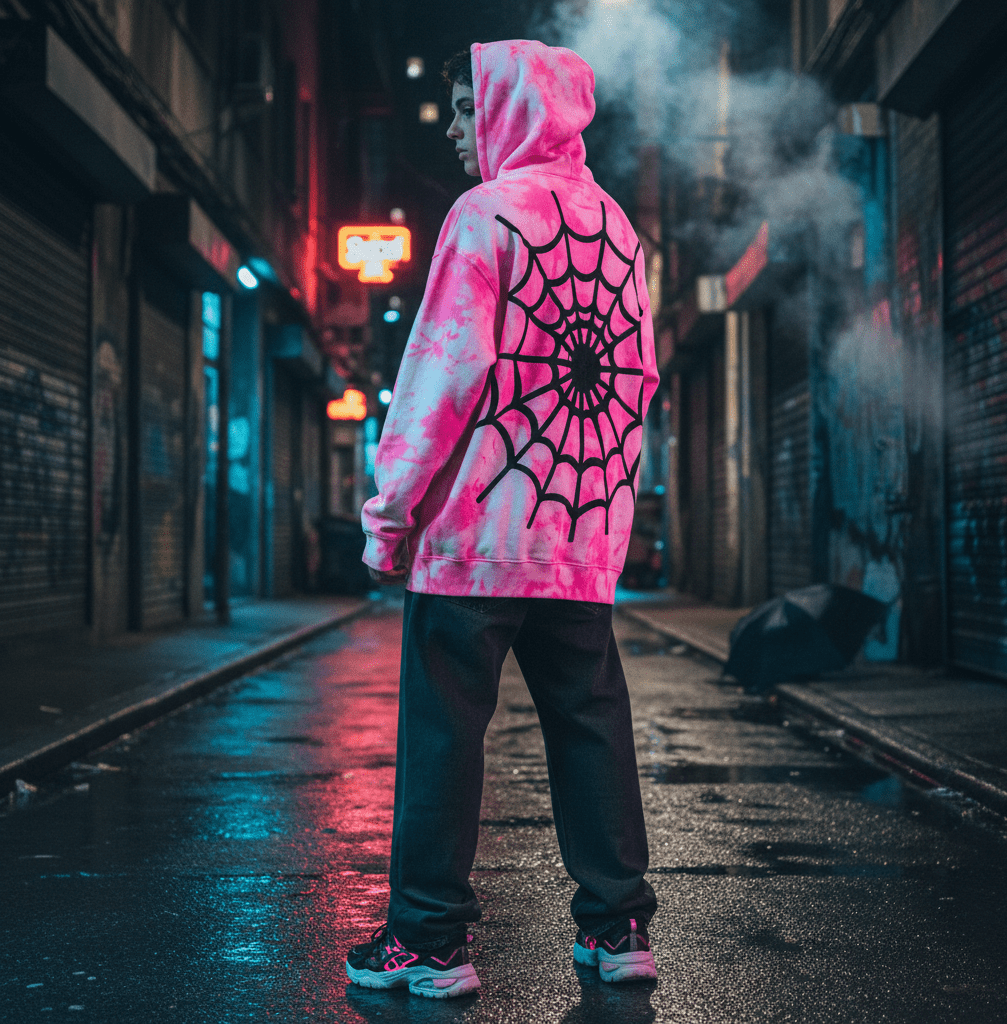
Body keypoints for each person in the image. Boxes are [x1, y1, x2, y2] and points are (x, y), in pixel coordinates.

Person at [345, 39, 660, 1000]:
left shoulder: (481, 218)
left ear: (514, 112)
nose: (451, 128)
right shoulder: (619, 229)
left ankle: (430, 942)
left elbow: (436, 380)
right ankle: (619, 926)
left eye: (466, 109)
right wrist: (608, 524)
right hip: (575, 539)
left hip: (474, 543)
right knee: (592, 724)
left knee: (445, 733)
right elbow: (631, 388)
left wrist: (388, 517)